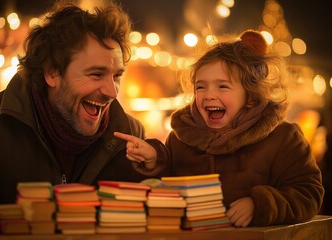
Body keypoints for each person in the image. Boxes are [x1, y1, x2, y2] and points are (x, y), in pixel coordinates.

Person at [115, 30, 324, 227]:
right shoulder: (181, 139)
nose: (208, 95)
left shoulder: (283, 138)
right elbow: (166, 191)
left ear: (250, 95)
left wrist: (260, 204)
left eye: (222, 86)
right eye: (200, 86)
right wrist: (155, 159)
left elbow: (308, 194)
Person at [0, 3, 169, 212]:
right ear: (52, 73)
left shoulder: (131, 134)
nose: (112, 92)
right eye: (96, 74)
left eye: (116, 76)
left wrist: (154, 170)